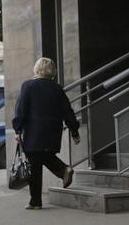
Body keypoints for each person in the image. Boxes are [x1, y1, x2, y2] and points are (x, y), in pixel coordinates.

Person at [12, 57, 81, 210]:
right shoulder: (57, 88)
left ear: (37, 69)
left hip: (33, 131)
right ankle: (60, 172)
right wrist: (74, 131)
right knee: (42, 157)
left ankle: (37, 200)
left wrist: (18, 129)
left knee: (35, 163)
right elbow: (67, 111)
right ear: (52, 71)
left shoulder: (28, 86)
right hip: (52, 131)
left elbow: (21, 109)